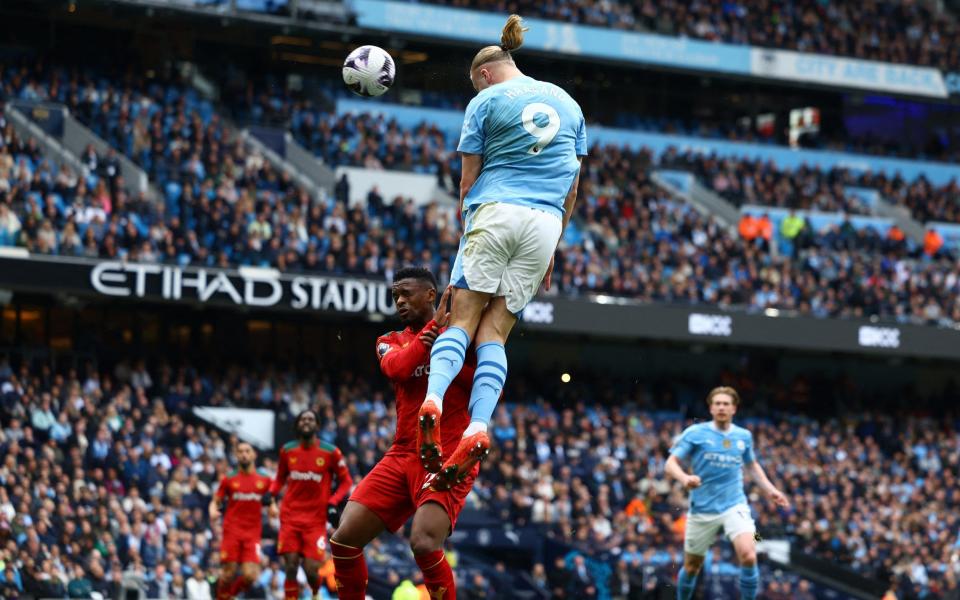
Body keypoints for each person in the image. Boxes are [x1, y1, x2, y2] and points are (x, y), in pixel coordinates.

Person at [417, 14, 588, 488]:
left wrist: (463, 241)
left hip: (497, 209)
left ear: (485, 74)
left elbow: (469, 180)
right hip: (546, 223)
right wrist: (555, 243)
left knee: (462, 318)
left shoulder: (487, 100)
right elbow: (572, 189)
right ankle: (478, 425)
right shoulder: (570, 105)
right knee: (496, 332)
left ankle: (432, 398)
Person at [332, 267, 478, 600]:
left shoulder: (462, 337)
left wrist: (448, 347)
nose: (399, 301)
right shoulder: (389, 341)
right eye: (395, 295)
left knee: (424, 542)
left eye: (406, 293)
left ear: (431, 295)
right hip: (401, 455)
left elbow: (483, 387)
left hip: (449, 453)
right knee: (343, 539)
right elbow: (396, 369)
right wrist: (431, 332)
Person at [665, 387, 790, 600]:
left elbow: (752, 466)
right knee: (692, 566)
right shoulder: (695, 433)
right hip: (703, 509)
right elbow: (670, 464)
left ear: (734, 408)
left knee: (749, 555)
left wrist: (771, 490)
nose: (722, 407)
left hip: (735, 505)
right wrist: (685, 478)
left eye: (726, 403)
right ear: (711, 408)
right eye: (718, 403)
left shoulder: (744, 436)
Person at [269, 410, 353, 600]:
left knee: (311, 570)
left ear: (317, 425)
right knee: (290, 566)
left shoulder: (331, 452)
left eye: (311, 419)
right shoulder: (287, 450)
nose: (306, 422)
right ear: (297, 425)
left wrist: (332, 502)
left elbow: (346, 481)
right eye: (303, 419)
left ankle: (315, 592)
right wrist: (271, 495)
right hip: (290, 516)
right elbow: (279, 478)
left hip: (315, 521)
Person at [209, 442, 271, 600]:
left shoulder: (264, 480)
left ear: (253, 455)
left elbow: (271, 500)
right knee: (228, 573)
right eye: (241, 451)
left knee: (250, 575)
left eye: (247, 451)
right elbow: (216, 500)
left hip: (252, 534)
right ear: (236, 455)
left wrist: (273, 508)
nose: (244, 454)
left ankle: (230, 596)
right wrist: (212, 511)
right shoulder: (229, 479)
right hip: (232, 531)